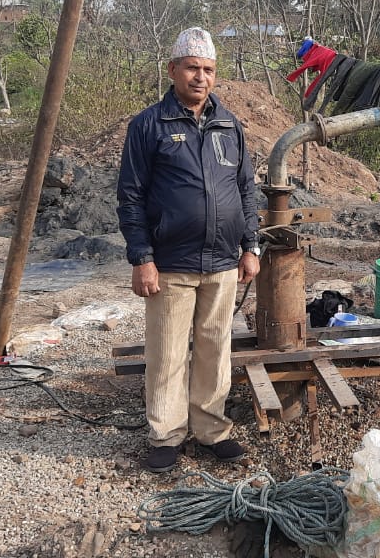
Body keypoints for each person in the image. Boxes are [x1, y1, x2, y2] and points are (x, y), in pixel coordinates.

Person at [116, 27, 262, 472]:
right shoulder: (148, 125)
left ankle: (211, 429)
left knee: (215, 351)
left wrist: (251, 245)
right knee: (167, 353)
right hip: (170, 263)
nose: (201, 77)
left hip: (222, 262)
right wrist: (142, 258)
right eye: (193, 68)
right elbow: (131, 196)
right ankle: (166, 435)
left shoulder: (229, 124)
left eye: (209, 70)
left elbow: (246, 189)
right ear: (173, 70)